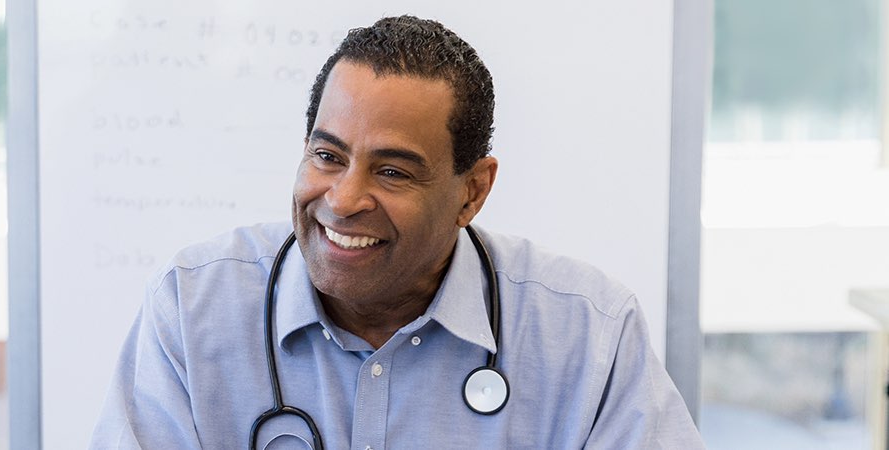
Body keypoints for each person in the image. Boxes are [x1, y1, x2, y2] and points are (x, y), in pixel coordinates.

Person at [90, 15, 705, 449]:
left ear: (473, 191)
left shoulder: (587, 336)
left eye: (392, 171)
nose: (345, 199)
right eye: (327, 156)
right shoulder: (192, 310)